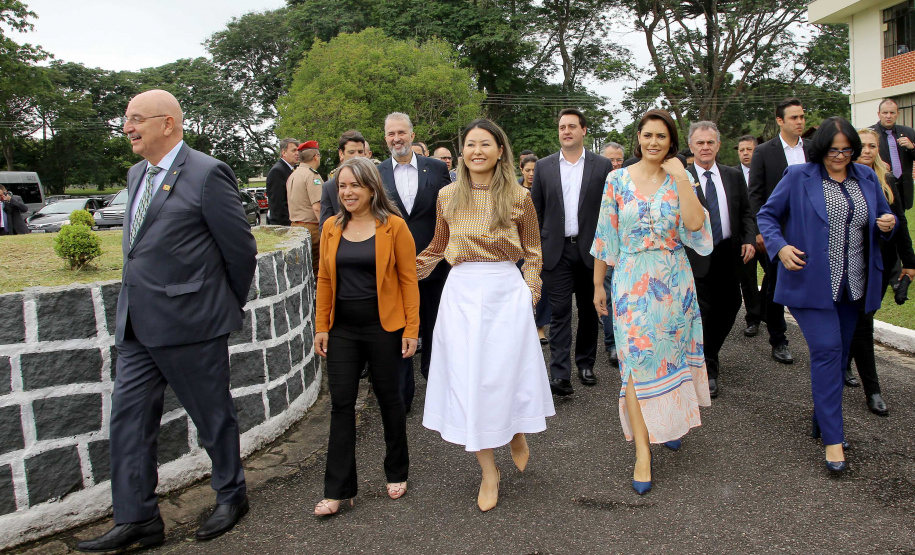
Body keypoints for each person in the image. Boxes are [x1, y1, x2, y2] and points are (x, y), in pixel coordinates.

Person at [76, 90, 257, 553]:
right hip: (137, 323)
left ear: (169, 124)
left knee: (211, 417)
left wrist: (220, 309)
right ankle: (137, 519)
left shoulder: (207, 172)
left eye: (136, 119)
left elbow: (240, 251)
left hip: (193, 323)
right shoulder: (138, 173)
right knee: (129, 422)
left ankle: (231, 495)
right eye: (126, 119)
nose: (127, 127)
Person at [417, 118, 555, 512]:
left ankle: (513, 431)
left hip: (504, 293)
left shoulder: (517, 196)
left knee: (503, 374)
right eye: (470, 144)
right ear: (462, 153)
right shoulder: (446, 196)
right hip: (461, 294)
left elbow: (532, 251)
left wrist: (530, 290)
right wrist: (402, 271)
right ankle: (489, 471)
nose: (477, 151)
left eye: (485, 144)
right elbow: (436, 248)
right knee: (470, 380)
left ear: (499, 151)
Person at [757, 117, 896, 474]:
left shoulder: (865, 176)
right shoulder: (799, 176)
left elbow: (883, 215)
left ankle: (822, 420)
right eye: (834, 150)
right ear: (821, 148)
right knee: (827, 351)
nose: (841, 156)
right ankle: (834, 441)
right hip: (810, 284)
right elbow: (768, 216)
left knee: (838, 357)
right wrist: (781, 248)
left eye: (848, 150)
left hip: (855, 284)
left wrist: (887, 222)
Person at [591, 109, 712, 495]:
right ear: (638, 138)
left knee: (670, 358)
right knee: (635, 366)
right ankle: (643, 452)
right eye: (647, 135)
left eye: (661, 136)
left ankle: (671, 424)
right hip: (629, 283)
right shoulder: (617, 180)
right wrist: (598, 286)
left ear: (671, 142)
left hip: (673, 283)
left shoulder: (681, 178)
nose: (654, 142)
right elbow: (604, 237)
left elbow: (694, 226)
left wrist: (681, 178)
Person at [313, 157, 419, 516]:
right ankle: (338, 489)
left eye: (354, 185)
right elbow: (325, 279)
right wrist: (321, 326)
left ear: (372, 187)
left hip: (384, 328)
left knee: (390, 400)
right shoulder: (330, 227)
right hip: (342, 330)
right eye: (342, 186)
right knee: (341, 404)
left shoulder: (394, 227)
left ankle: (397, 470)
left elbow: (408, 280)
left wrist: (412, 329)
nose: (347, 192)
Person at [531, 108, 613, 394]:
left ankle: (586, 364)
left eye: (572, 126)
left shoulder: (602, 166)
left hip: (592, 250)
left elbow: (608, 211)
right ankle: (560, 373)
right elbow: (536, 210)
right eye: (562, 127)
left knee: (591, 310)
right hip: (557, 250)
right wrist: (538, 248)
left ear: (584, 131)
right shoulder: (544, 166)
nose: (566, 131)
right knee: (560, 311)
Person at [377, 113, 451, 411]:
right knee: (399, 328)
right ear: (386, 138)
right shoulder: (377, 173)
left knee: (434, 326)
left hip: (434, 263)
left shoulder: (435, 168)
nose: (397, 138)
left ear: (412, 134)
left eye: (402, 133)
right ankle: (403, 394)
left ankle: (436, 385)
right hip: (393, 267)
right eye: (391, 134)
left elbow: (449, 212)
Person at [844, 128, 915, 416]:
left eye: (873, 146)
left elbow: (900, 224)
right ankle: (869, 386)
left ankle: (869, 386)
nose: (867, 150)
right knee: (859, 324)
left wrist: (910, 263)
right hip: (847, 264)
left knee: (863, 321)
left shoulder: (886, 181)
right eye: (861, 146)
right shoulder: (840, 181)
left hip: (878, 265)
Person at [685, 122, 757, 398]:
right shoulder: (683, 178)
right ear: (691, 146)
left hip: (729, 253)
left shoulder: (732, 175)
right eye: (700, 143)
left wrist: (750, 238)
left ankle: (708, 352)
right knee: (702, 314)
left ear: (718, 145)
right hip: (695, 257)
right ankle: (708, 369)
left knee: (730, 307)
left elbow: (746, 212)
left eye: (710, 142)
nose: (705, 147)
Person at [748, 98, 810, 365]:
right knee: (775, 286)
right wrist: (761, 230)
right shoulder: (764, 152)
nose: (799, 122)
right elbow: (756, 195)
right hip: (778, 231)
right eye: (794, 118)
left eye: (802, 117)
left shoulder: (814, 149)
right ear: (780, 121)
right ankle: (779, 339)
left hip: (810, 227)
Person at [735, 135, 764, 337]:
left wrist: (762, 233)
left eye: (749, 149)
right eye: (741, 150)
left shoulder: (767, 172)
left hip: (768, 236)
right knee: (748, 281)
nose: (745, 153)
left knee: (775, 276)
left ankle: (768, 310)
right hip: (745, 237)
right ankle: (753, 319)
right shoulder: (732, 175)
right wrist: (750, 235)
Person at [599, 142, 625, 363]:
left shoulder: (629, 181)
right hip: (604, 249)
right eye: (610, 160)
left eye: (618, 160)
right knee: (608, 297)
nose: (615, 164)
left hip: (629, 250)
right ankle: (612, 344)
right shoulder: (597, 182)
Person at [520, 153, 550, 344]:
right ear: (521, 170)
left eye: (535, 170)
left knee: (542, 286)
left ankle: (540, 326)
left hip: (541, 243)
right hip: (518, 245)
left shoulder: (545, 190)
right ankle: (522, 326)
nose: (531, 173)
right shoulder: (514, 190)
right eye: (528, 170)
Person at [286, 140, 323, 278]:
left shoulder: (293, 175)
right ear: (315, 157)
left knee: (303, 272)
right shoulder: (312, 175)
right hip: (312, 228)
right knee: (318, 270)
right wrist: (326, 227)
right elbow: (317, 206)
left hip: (295, 227)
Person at [871, 98, 915, 210]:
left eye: (892, 113)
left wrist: (912, 147)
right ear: (879, 114)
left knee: (902, 223)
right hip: (881, 187)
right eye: (885, 113)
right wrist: (878, 164)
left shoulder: (909, 132)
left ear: (897, 114)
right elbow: (860, 159)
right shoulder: (870, 133)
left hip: (903, 188)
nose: (888, 116)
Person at [320, 130, 368, 227]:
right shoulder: (329, 187)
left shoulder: (373, 182)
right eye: (351, 152)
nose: (357, 156)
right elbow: (325, 228)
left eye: (360, 152)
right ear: (341, 154)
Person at [266, 137, 298, 225]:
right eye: (294, 150)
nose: (297, 153)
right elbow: (278, 204)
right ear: (283, 152)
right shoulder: (277, 171)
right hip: (284, 226)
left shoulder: (292, 169)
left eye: (298, 150)